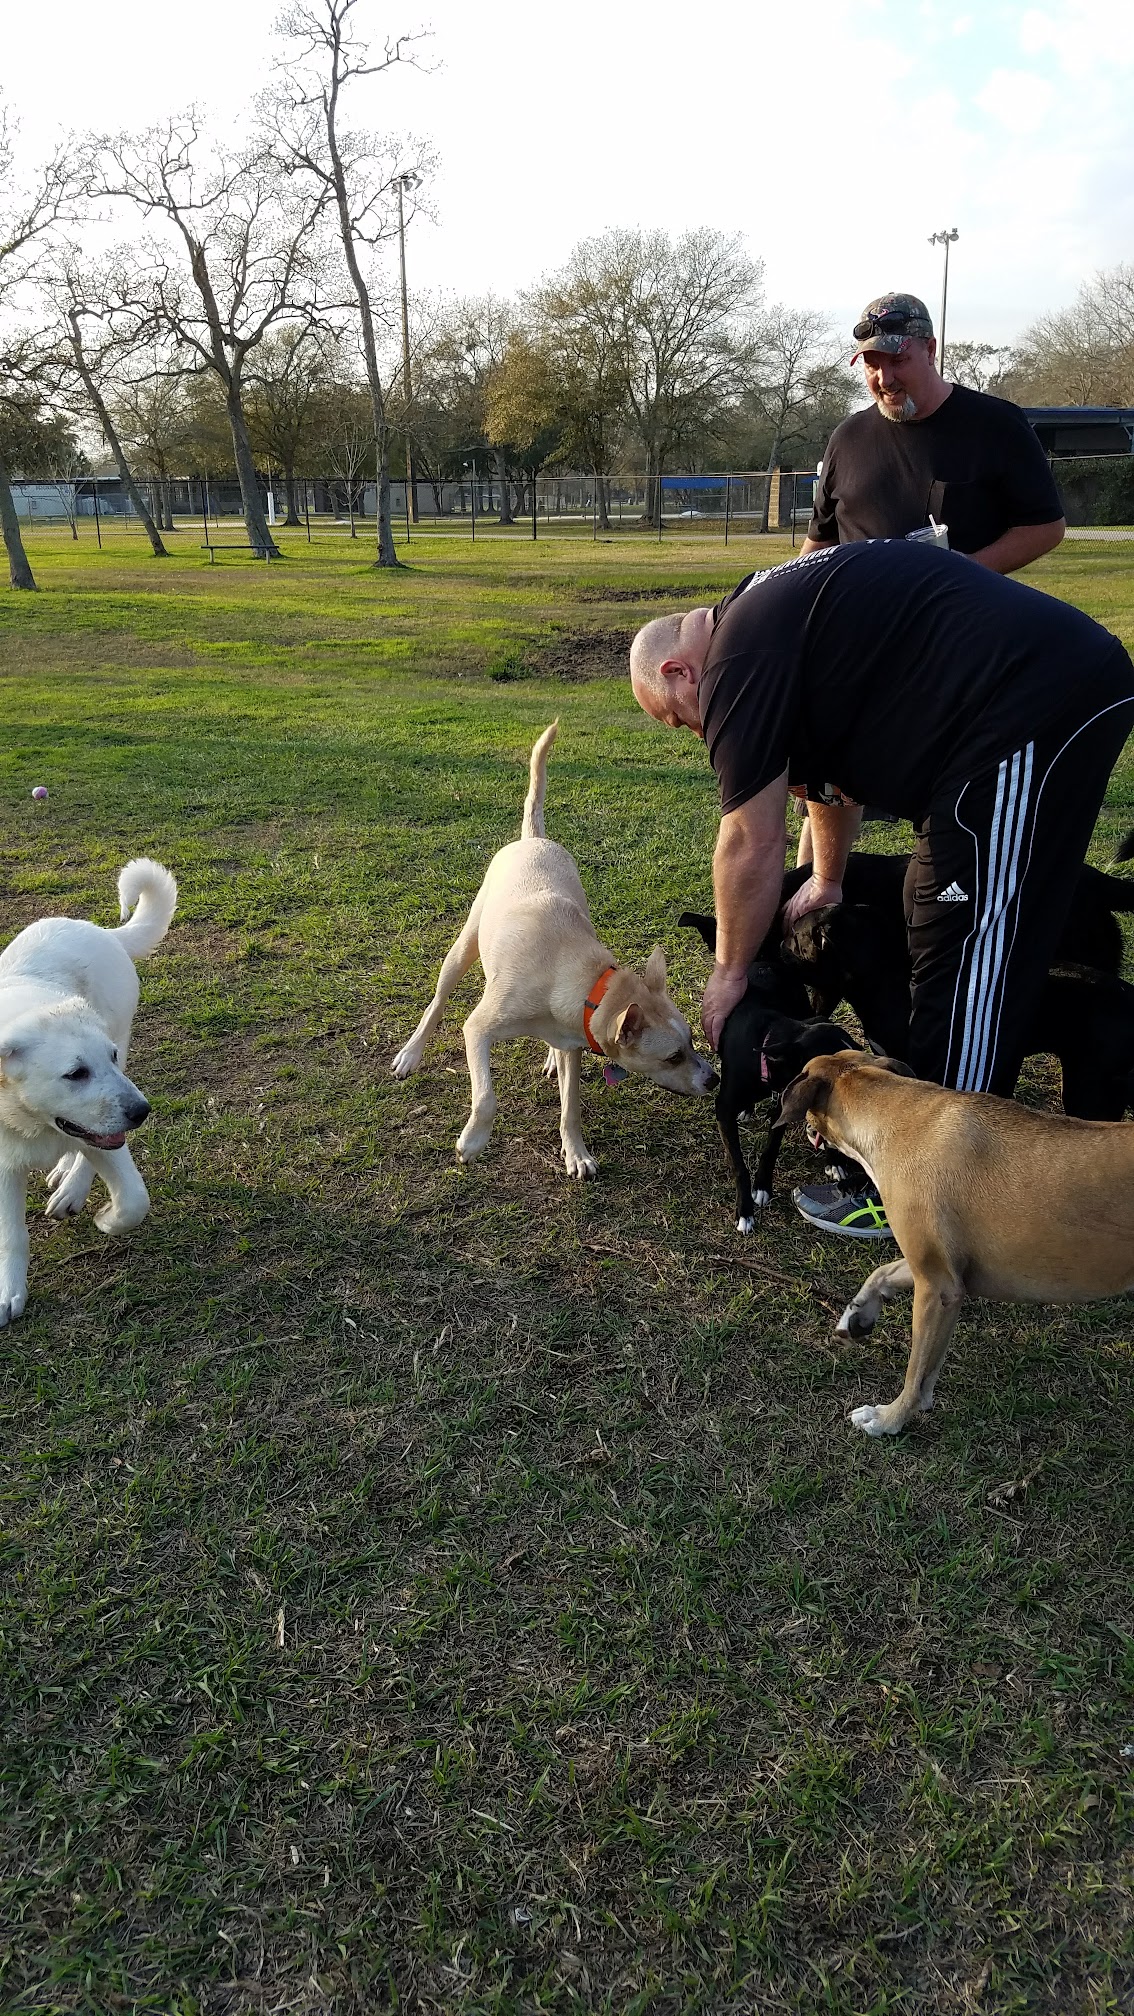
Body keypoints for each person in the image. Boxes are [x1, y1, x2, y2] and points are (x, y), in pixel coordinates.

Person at [629, 539, 1134, 1236]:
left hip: (1033, 704)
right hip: (1022, 708)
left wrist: (729, 972)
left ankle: (932, 1192)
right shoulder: (765, 619)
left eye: (679, 717)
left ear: (678, 671)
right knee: (937, 911)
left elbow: (749, 838)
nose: (695, 731)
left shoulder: (737, 661)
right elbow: (826, 779)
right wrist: (828, 877)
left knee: (964, 949)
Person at [793, 291, 1067, 868]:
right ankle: (817, 890)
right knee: (829, 779)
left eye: (897, 360)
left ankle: (952, 893)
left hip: (962, 652)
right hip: (863, 650)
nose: (884, 378)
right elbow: (819, 541)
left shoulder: (995, 424)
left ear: (930, 349)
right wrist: (798, 609)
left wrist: (957, 574)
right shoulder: (847, 438)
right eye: (872, 364)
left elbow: (1046, 526)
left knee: (951, 796)